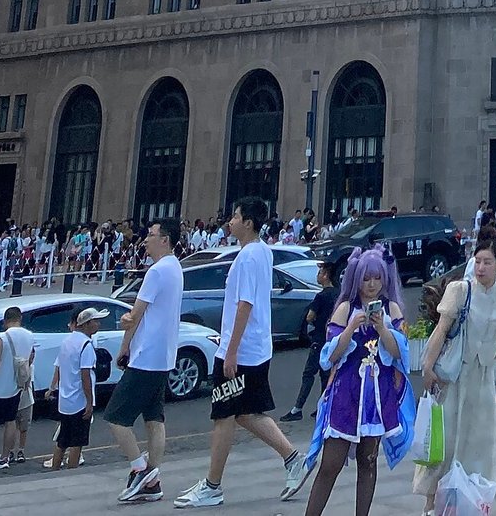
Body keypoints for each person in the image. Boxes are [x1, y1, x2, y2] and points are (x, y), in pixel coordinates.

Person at [175, 197, 304, 507]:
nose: (230, 221)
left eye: (234, 217)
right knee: (245, 413)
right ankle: (293, 458)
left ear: (248, 222)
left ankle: (212, 486)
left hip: (242, 351)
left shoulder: (247, 258)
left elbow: (244, 304)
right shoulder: (262, 252)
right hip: (256, 347)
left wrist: (230, 351)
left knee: (224, 415)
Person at [296, 248, 413, 516]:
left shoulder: (391, 309)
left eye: (377, 278)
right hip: (346, 393)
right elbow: (329, 358)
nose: (372, 285)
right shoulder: (345, 308)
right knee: (331, 463)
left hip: (377, 396)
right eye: (366, 279)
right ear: (356, 279)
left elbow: (401, 354)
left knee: (368, 461)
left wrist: (382, 328)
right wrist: (350, 328)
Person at [418, 240, 496, 510]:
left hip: (482, 381)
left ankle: (467, 505)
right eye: (477, 261)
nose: (481, 267)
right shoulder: (460, 290)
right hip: (454, 377)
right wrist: (427, 366)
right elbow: (441, 330)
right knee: (445, 443)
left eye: (487, 262)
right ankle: (430, 506)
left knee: (478, 446)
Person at [107, 216, 183, 503]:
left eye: (151, 235)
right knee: (154, 417)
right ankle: (153, 479)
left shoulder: (157, 271)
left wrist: (124, 347)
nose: (146, 240)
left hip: (146, 355)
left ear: (165, 239)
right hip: (163, 355)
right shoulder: (175, 267)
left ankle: (140, 469)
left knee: (116, 416)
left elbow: (134, 316)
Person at [43, 305, 102, 471]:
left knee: (62, 440)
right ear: (86, 324)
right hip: (79, 401)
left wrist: (52, 387)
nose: (98, 324)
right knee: (77, 442)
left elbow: (59, 367)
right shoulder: (86, 345)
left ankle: (55, 470)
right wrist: (89, 402)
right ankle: (72, 472)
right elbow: (85, 375)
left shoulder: (67, 341)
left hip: (65, 401)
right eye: (95, 321)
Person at [284, 261, 343, 422]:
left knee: (309, 373)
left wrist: (314, 320)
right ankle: (323, 405)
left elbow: (310, 316)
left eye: (319, 273)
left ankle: (297, 408)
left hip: (318, 339)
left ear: (325, 275)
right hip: (332, 339)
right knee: (325, 374)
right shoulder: (338, 294)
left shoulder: (321, 296)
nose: (317, 276)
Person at [0, 304, 33, 471]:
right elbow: (30, 359)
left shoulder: (2, 338)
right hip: (15, 388)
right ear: (20, 319)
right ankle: (4, 458)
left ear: (5, 321)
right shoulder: (29, 336)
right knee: (10, 422)